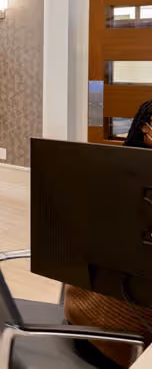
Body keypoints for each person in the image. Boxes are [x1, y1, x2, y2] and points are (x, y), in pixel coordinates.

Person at [64, 100, 152, 368]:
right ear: (148, 130)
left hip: (77, 316)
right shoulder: (136, 192)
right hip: (116, 341)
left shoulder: (111, 176)